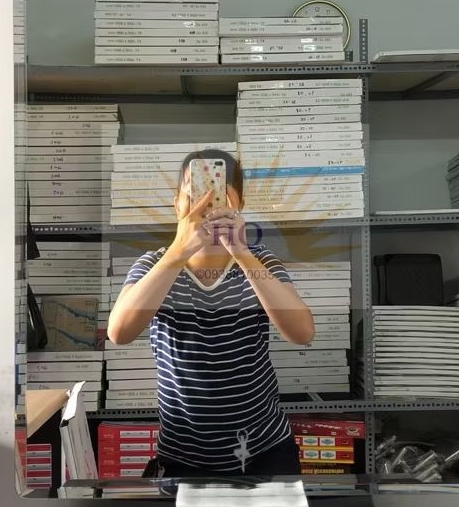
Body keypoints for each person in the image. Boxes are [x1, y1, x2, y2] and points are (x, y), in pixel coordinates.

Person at [107, 149, 315, 479]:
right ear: (177, 204)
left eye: (217, 194)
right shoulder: (153, 264)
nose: (205, 204)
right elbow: (119, 333)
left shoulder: (260, 262)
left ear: (239, 204)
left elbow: (302, 332)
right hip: (181, 453)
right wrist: (178, 251)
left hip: (264, 449)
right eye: (193, 194)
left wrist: (241, 251)